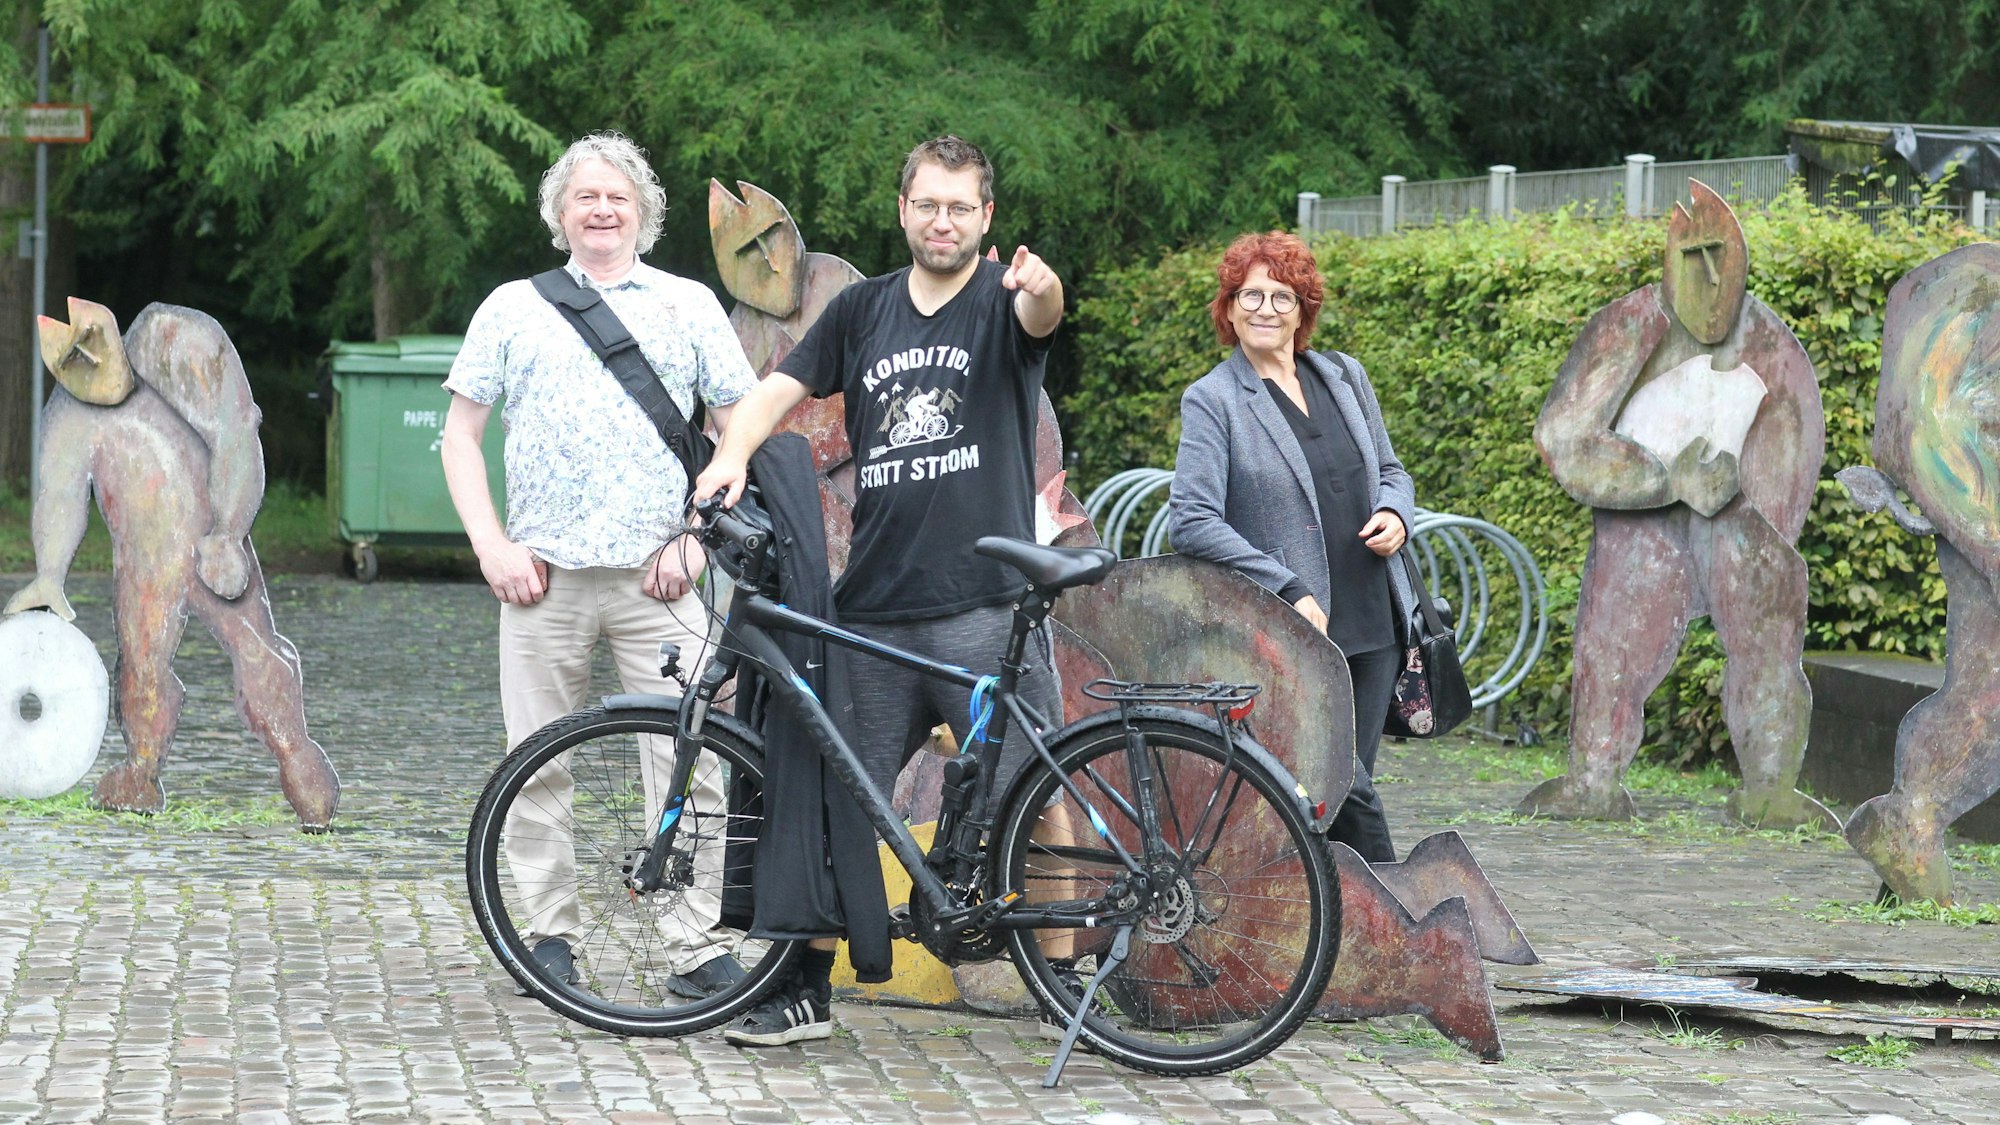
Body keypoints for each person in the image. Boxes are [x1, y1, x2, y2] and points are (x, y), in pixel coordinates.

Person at [693, 134, 1065, 1046]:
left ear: (986, 218)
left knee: (1040, 790)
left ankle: (1069, 982)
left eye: (960, 207)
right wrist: (733, 455)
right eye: (927, 204)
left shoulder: (1001, 299)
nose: (942, 220)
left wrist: (1041, 288)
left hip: (985, 601)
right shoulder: (859, 310)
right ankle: (804, 986)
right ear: (903, 211)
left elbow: (1047, 315)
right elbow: (776, 387)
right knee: (834, 792)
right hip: (876, 608)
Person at [440, 131, 759, 1000]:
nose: (602, 209)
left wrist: (698, 536)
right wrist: (491, 545)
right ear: (561, 212)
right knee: (536, 761)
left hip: (663, 577)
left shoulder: (690, 304)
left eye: (618, 196)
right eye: (586, 196)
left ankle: (694, 945)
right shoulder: (511, 307)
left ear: (643, 210)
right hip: (541, 580)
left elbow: (739, 433)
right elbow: (460, 436)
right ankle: (549, 935)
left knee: (691, 760)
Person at [1168, 230, 1416, 865]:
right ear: (1227, 308)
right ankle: (1393, 907)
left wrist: (1397, 512)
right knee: (1339, 789)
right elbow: (1191, 519)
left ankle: (1326, 922)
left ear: (1304, 309)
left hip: (1372, 615)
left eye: (1282, 296)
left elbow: (1392, 470)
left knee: (1339, 789)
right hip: (1294, 628)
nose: (1265, 309)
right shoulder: (1214, 400)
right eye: (1250, 295)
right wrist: (1287, 586)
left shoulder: (1344, 376)